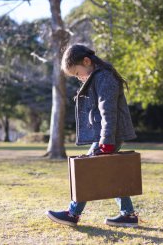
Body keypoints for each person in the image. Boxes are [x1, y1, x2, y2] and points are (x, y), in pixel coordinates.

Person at [45, 44, 139, 227]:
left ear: (86, 62)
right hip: (106, 135)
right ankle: (128, 215)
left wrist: (106, 141)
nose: (79, 78)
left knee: (86, 170)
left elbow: (108, 111)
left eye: (78, 73)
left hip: (109, 135)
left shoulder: (104, 77)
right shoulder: (98, 77)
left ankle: (73, 214)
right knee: (109, 171)